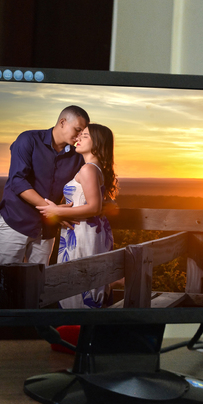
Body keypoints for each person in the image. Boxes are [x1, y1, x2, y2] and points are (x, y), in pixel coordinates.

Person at [0, 105, 89, 267]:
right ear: (63, 122)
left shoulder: (77, 156)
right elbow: (18, 181)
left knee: (37, 285)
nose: (80, 136)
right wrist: (54, 211)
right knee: (6, 282)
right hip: (16, 222)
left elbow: (82, 185)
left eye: (83, 133)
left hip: (47, 230)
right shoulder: (28, 140)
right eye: (78, 130)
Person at [39, 123, 117, 309]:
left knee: (80, 290)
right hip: (87, 232)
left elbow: (94, 207)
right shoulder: (93, 168)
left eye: (85, 136)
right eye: (79, 134)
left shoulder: (88, 169)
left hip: (83, 233)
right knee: (88, 285)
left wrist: (57, 211)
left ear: (98, 143)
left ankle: (79, 333)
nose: (78, 139)